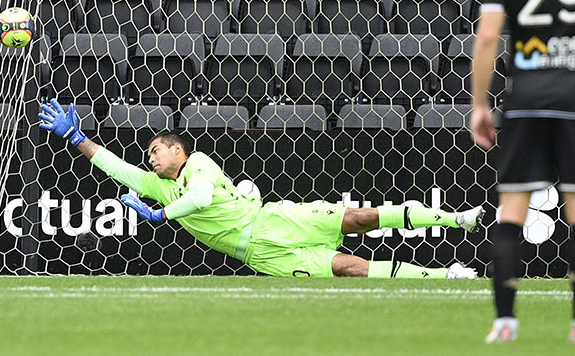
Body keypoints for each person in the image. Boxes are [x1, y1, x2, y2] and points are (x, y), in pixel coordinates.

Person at [38, 99, 483, 280]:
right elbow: (113, 165)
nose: (150, 158)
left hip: (273, 217)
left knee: (359, 218)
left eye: (157, 150)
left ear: (178, 149)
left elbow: (201, 200)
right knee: (350, 267)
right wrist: (75, 137)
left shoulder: (200, 166)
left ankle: (455, 218)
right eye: (149, 154)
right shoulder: (156, 184)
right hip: (263, 255)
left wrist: (160, 216)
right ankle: (448, 276)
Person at [470, 0, 575, 344]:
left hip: (526, 99)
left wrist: (479, 105)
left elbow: (489, 36)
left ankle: (505, 321)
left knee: (511, 211)